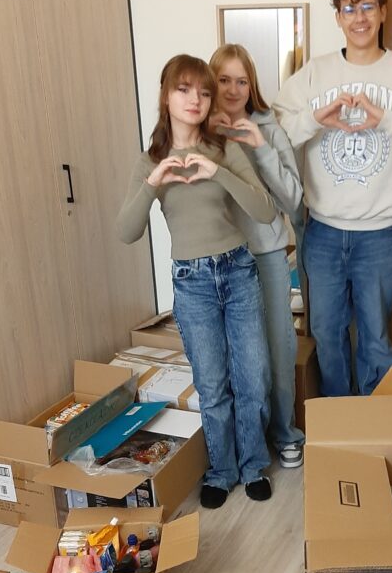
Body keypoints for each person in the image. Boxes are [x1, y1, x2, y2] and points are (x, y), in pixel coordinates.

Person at [273, 0, 392, 396]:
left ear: (383, 12)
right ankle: (340, 419)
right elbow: (274, 134)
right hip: (322, 231)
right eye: (350, 9)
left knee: (376, 338)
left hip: (380, 234)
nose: (359, 18)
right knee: (327, 334)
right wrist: (315, 119)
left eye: (368, 7)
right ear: (338, 17)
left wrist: (387, 119)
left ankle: (375, 421)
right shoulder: (315, 74)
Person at [116, 54, 277, 509]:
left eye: (205, 92)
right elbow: (126, 232)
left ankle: (253, 465)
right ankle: (222, 471)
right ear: (166, 95)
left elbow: (265, 210)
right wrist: (154, 181)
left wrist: (217, 172)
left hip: (237, 270)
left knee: (253, 377)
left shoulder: (224, 149)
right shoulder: (150, 159)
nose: (196, 99)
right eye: (185, 89)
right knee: (212, 383)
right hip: (192, 282)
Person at [208, 44, 306, 469]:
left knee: (278, 348)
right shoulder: (200, 129)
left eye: (242, 81)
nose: (233, 90)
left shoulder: (269, 127)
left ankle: (285, 432)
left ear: (252, 86)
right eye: (223, 80)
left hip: (264, 253)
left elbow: (294, 199)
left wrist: (261, 147)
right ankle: (240, 443)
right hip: (218, 257)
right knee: (231, 356)